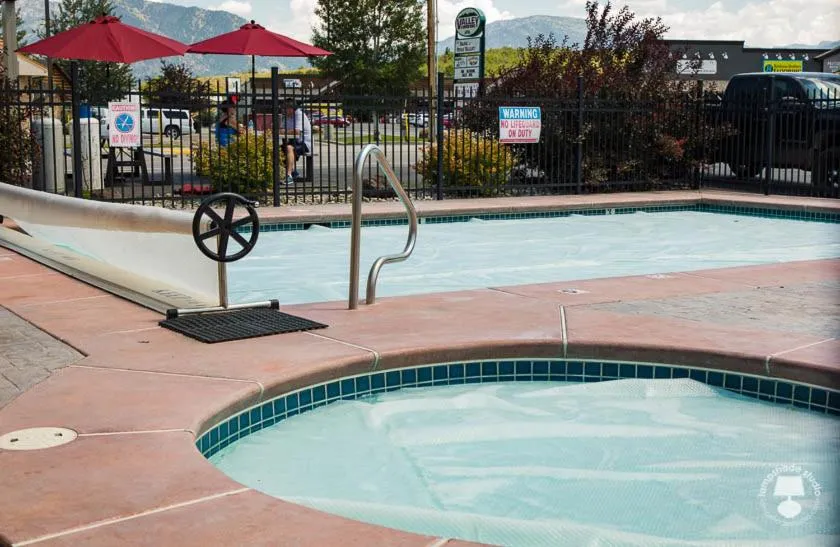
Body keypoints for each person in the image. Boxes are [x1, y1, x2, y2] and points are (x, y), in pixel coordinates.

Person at [281, 100, 312, 185]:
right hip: (293, 141)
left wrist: (284, 131)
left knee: (288, 148)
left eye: (285, 109)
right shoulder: (286, 116)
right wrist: (284, 131)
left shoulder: (299, 115)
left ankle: (289, 176)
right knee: (278, 149)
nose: (284, 110)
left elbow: (297, 132)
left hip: (304, 143)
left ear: (291, 109)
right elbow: (280, 129)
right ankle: (293, 173)